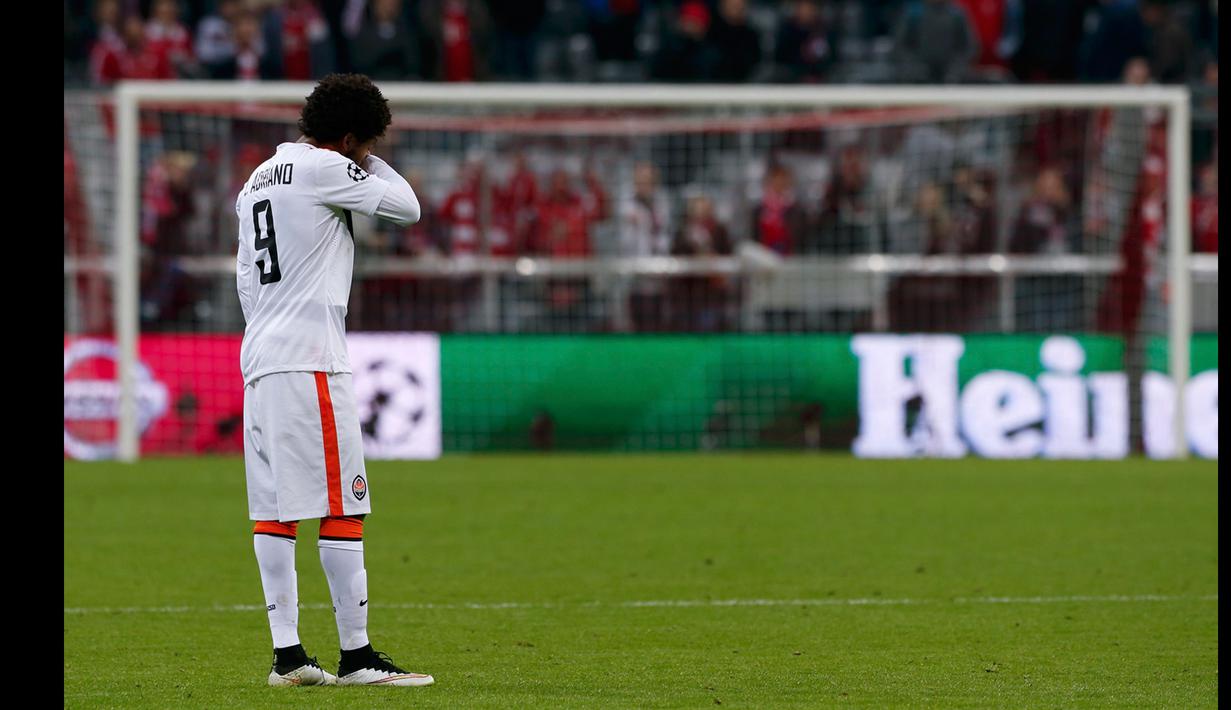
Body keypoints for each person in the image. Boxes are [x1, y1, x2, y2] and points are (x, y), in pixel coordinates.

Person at [234, 73, 432, 688]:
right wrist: (369, 160)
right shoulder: (325, 167)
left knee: (273, 509)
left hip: (260, 357)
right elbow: (408, 208)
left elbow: (244, 278)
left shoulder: (254, 182)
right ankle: (357, 655)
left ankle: (288, 655)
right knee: (345, 504)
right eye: (364, 142)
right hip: (311, 359)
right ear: (348, 139)